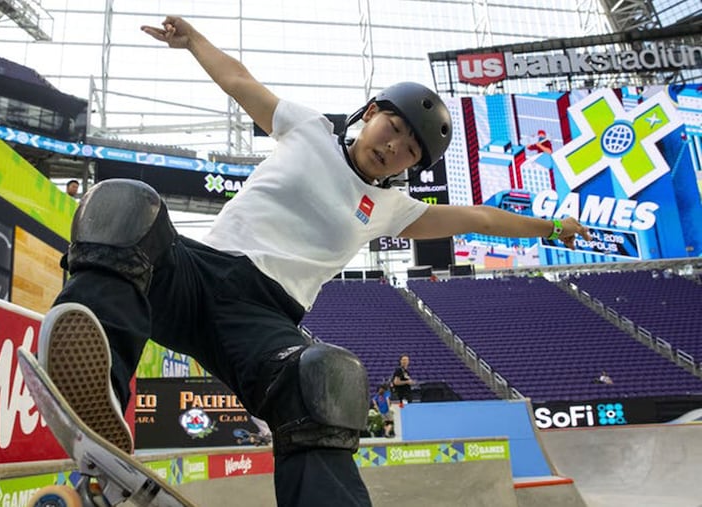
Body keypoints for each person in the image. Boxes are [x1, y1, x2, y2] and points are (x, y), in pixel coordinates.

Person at [36, 15, 591, 507]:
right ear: (371, 113)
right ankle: (97, 394)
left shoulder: (393, 208)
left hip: (262, 320)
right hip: (192, 272)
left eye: (410, 150)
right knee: (123, 200)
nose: (394, 147)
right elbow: (239, 82)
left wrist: (551, 228)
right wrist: (193, 41)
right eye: (393, 128)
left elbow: (482, 219)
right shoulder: (308, 129)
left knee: (325, 378)